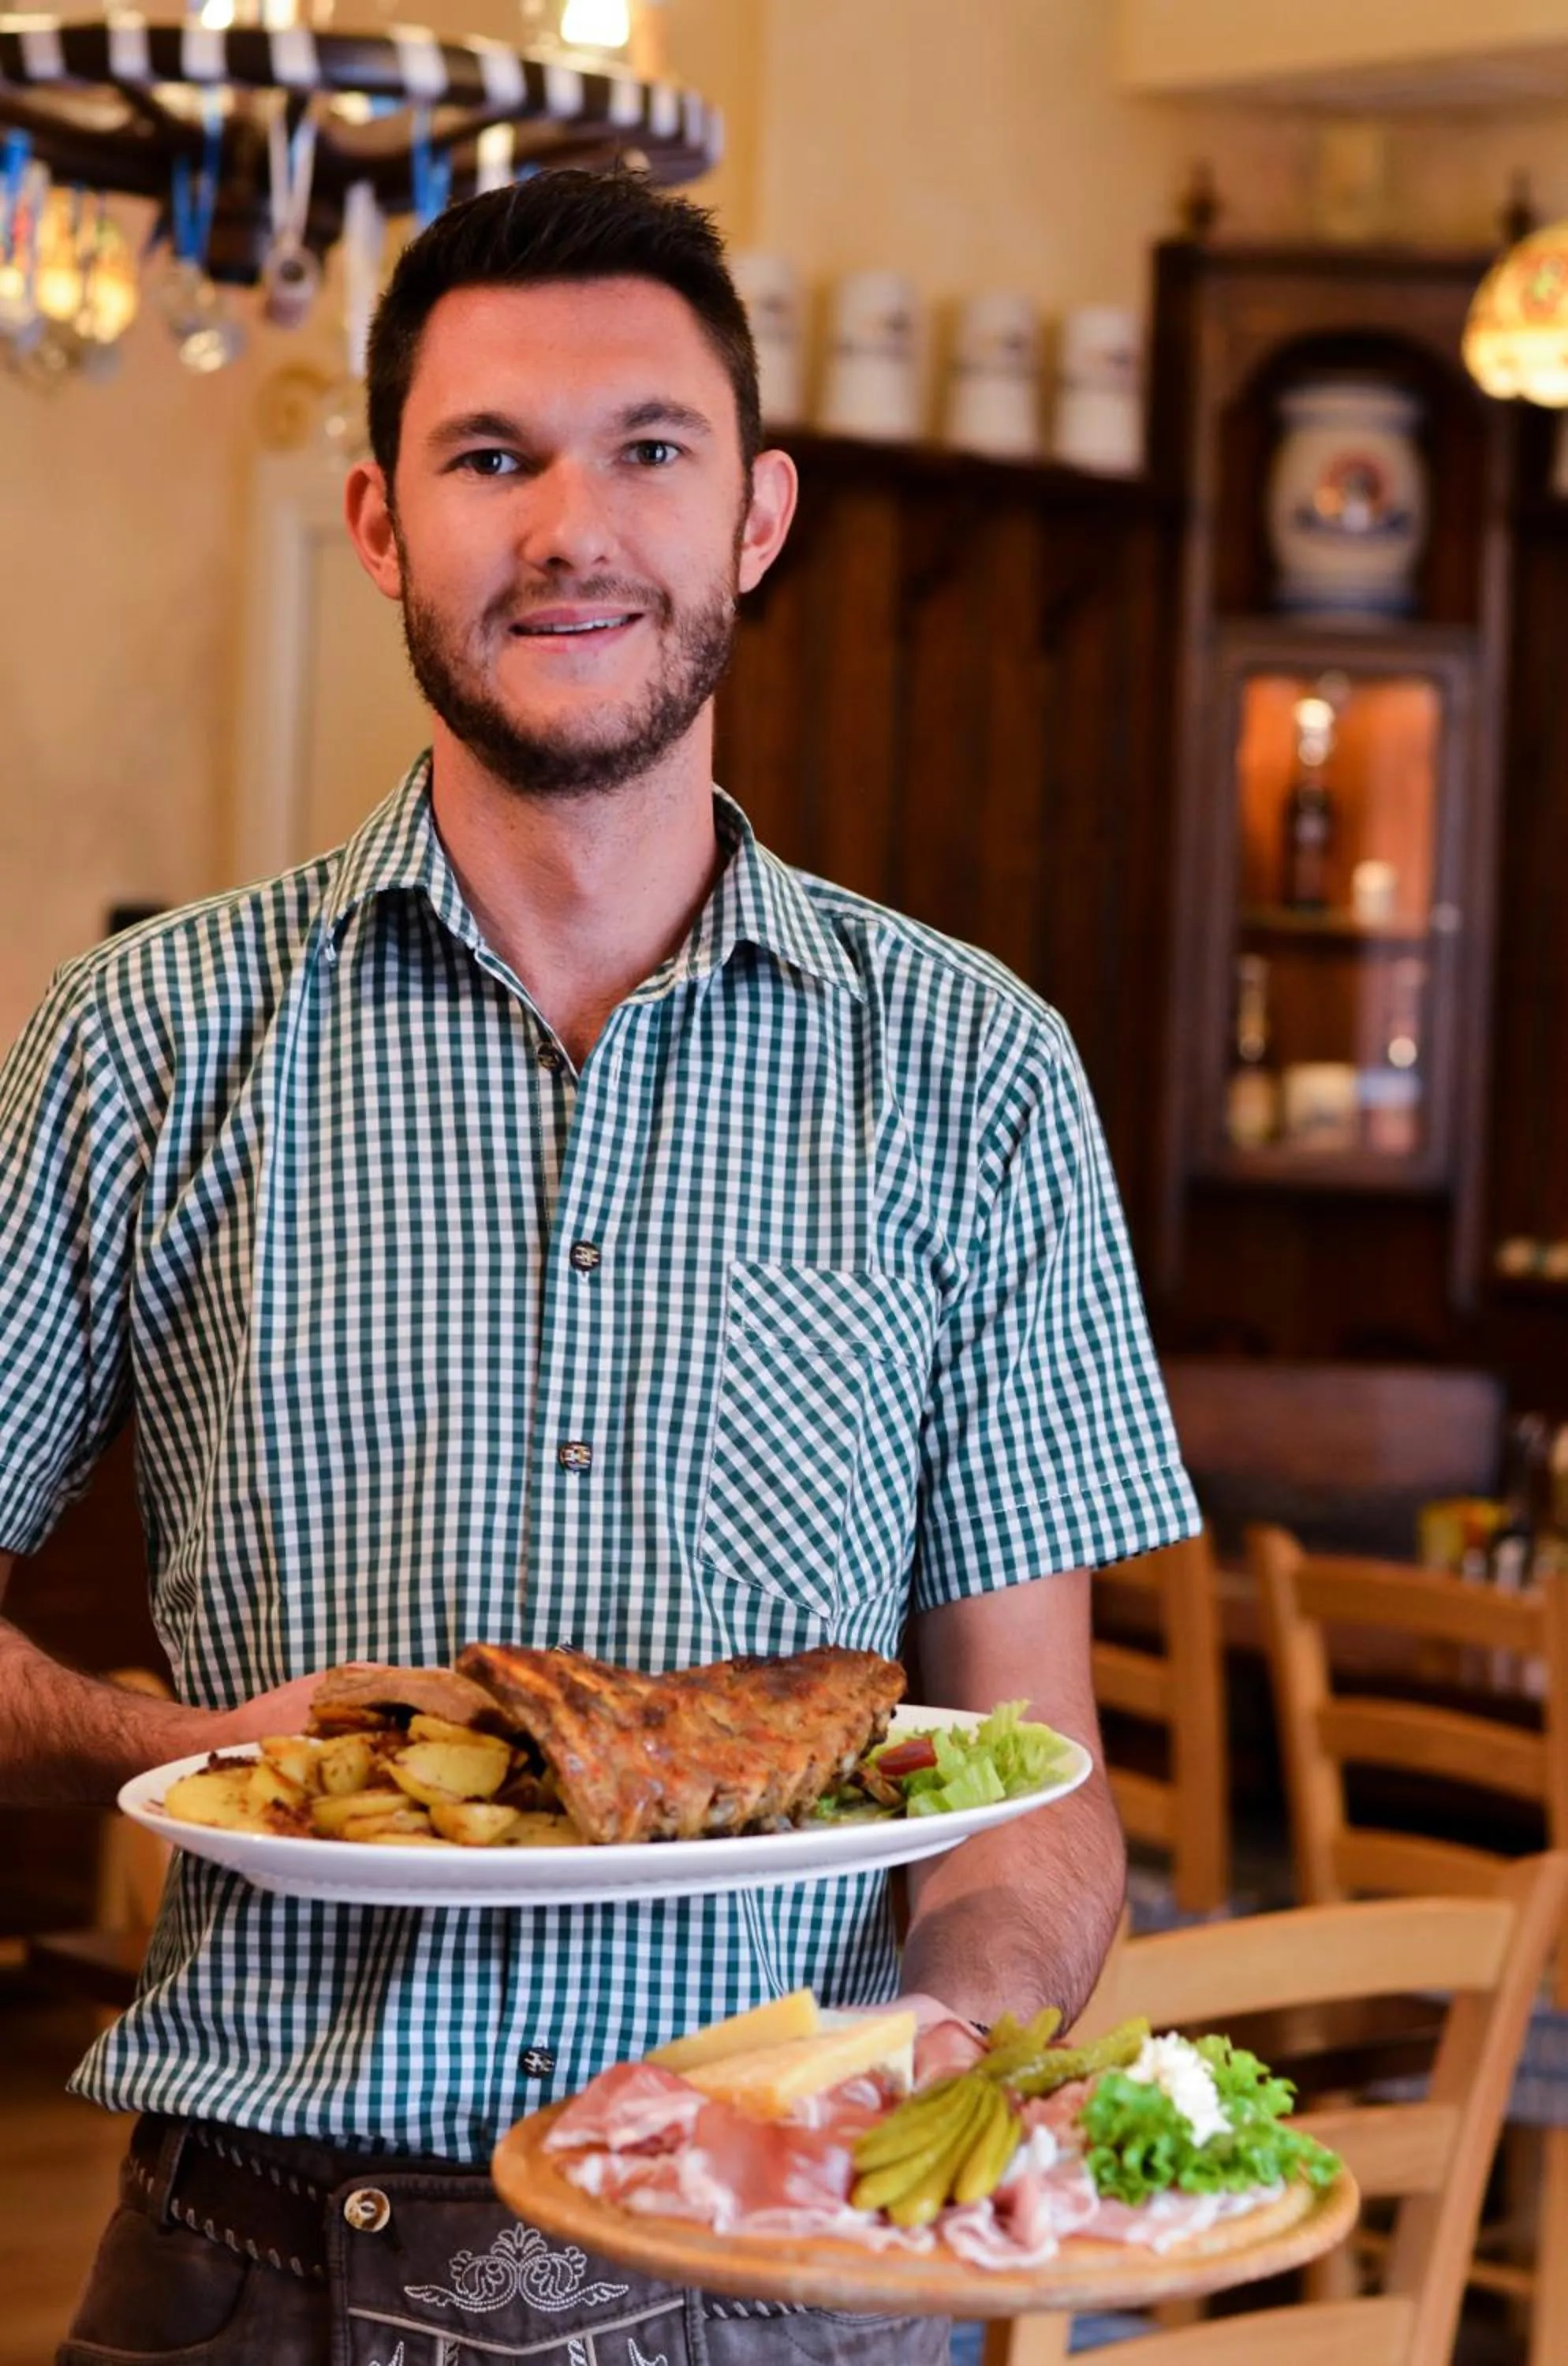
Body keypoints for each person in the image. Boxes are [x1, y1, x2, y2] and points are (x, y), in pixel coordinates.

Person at [0, 170, 1199, 2364]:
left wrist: (947, 2058)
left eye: (649, 448)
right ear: (380, 524)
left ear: (756, 514)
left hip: (792, 2281)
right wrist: (174, 1747)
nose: (572, 528)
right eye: (491, 458)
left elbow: (1030, 1779)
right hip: (262, 2275)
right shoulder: (144, 1042)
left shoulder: (975, 1071)